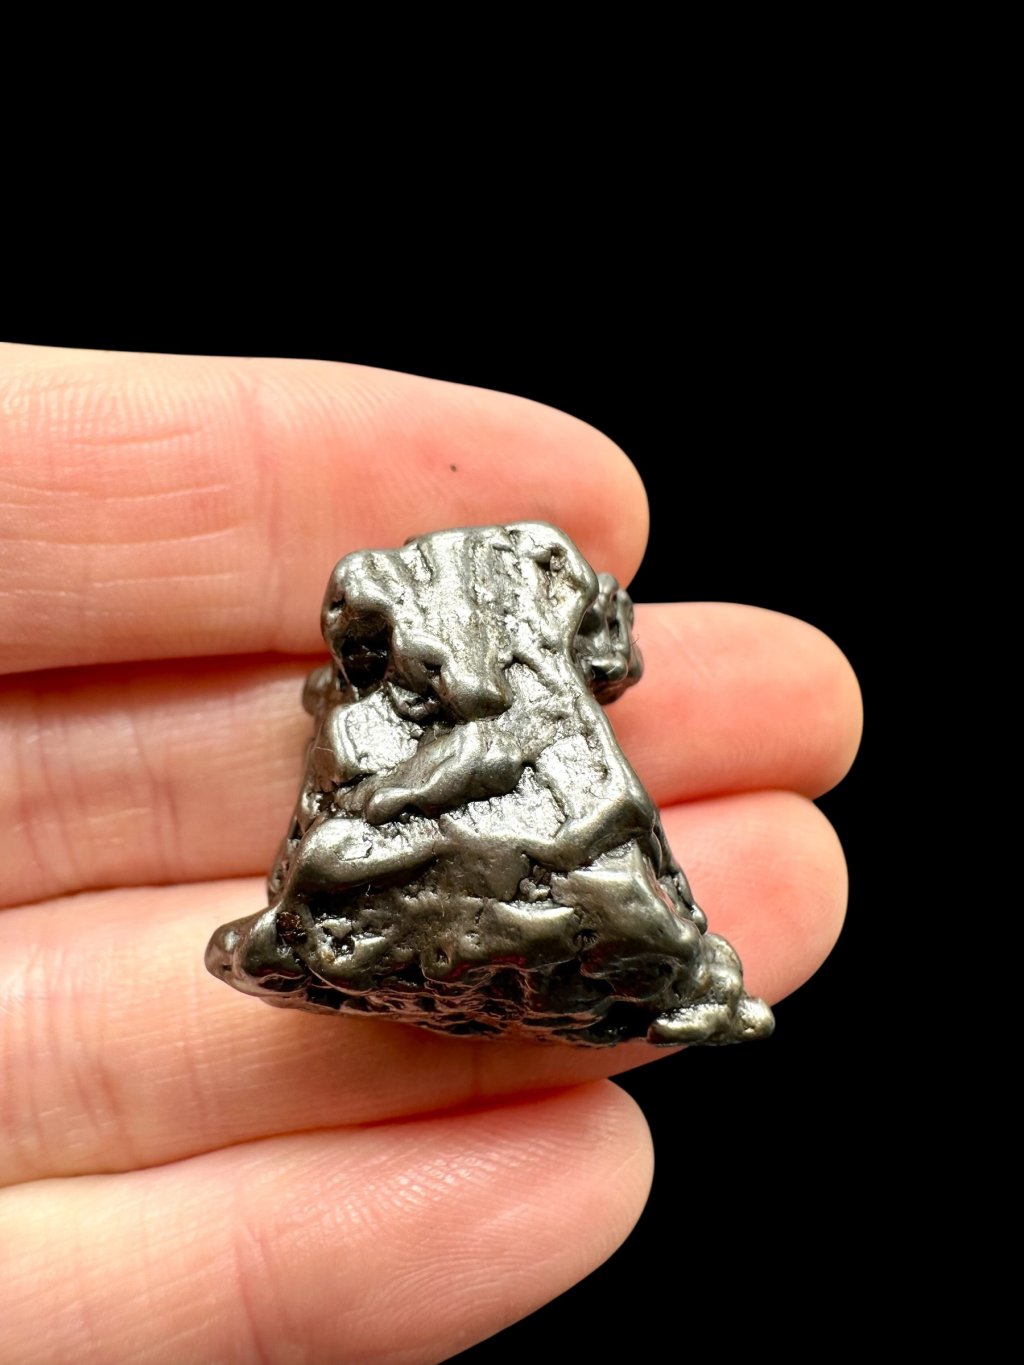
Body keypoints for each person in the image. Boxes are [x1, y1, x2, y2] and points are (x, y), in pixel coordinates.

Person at [0, 342, 862, 1363]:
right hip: (474, 885)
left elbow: (517, 738)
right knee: (359, 857)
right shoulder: (396, 697)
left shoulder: (506, 689)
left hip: (540, 875)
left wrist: (393, 802)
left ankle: (639, 962)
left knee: (426, 856)